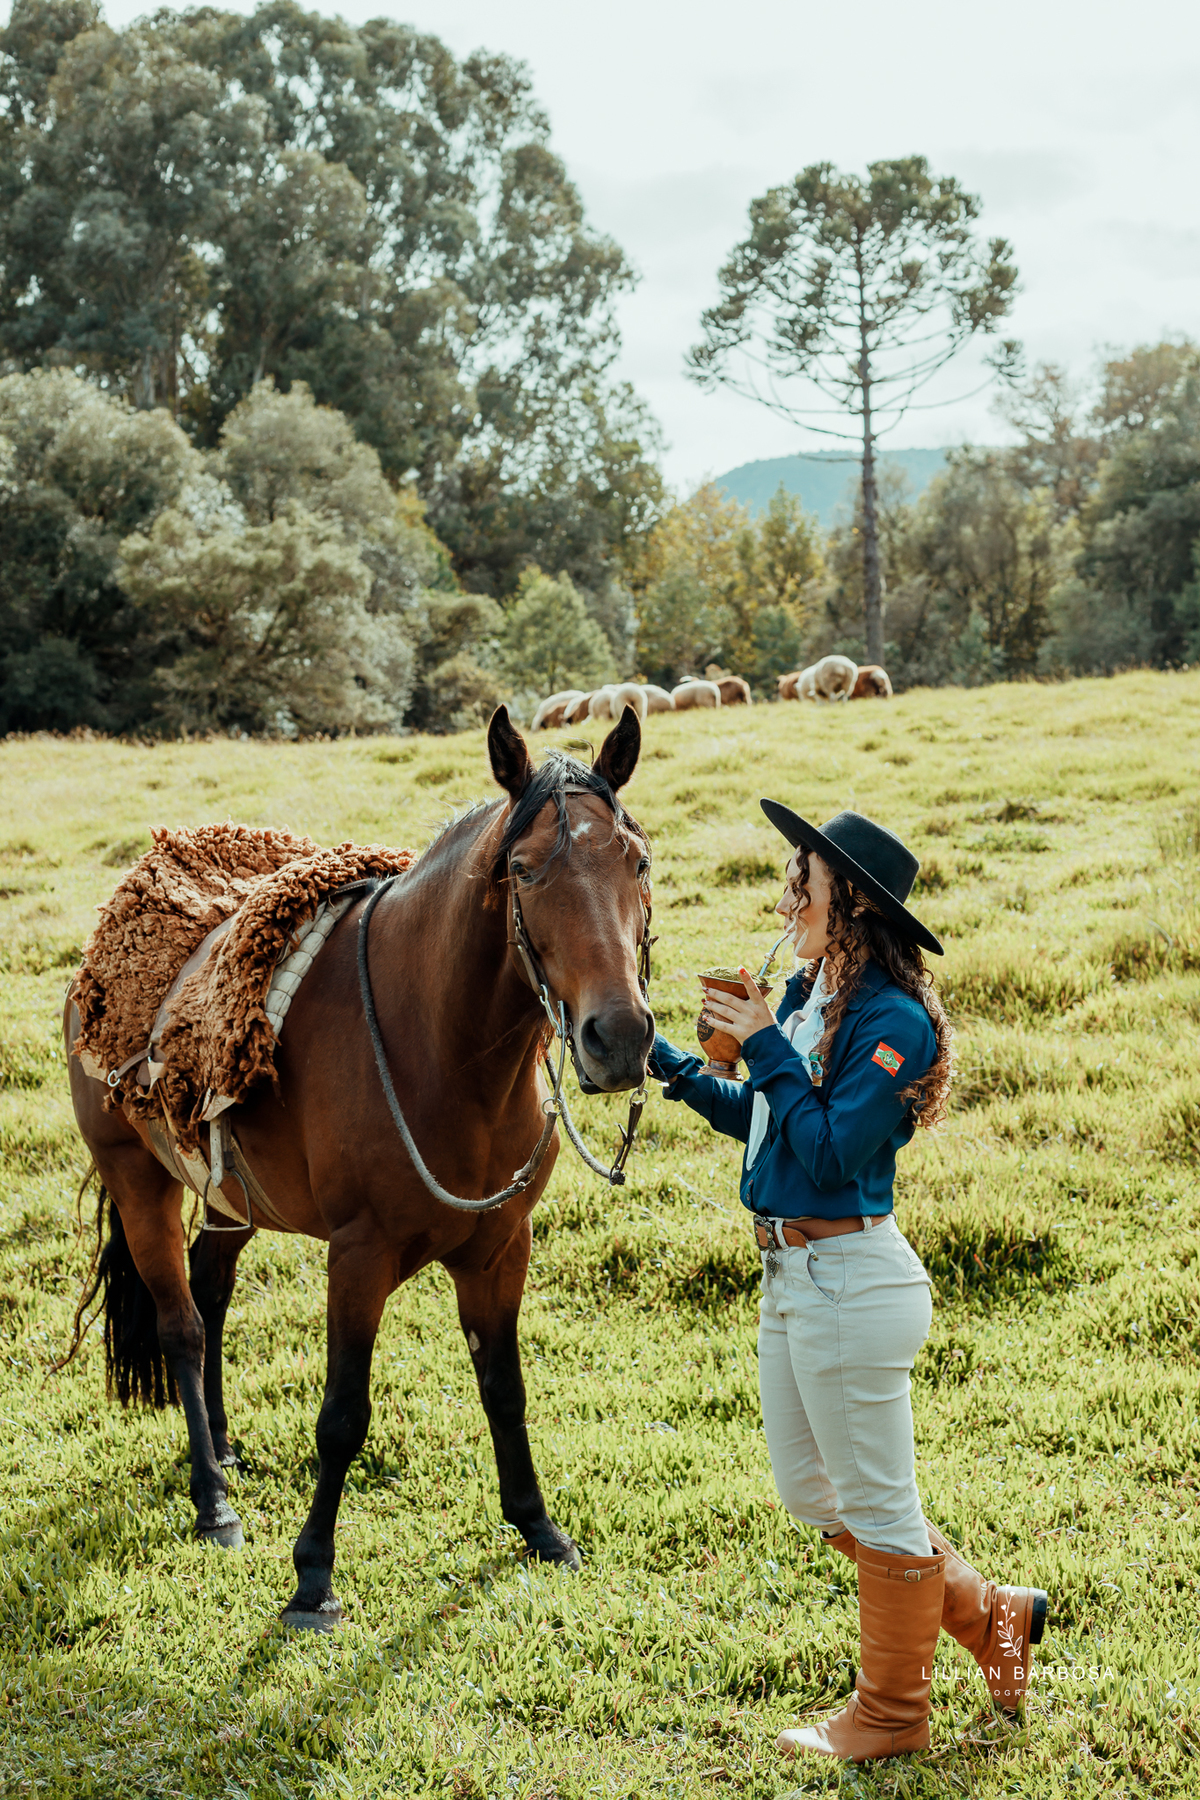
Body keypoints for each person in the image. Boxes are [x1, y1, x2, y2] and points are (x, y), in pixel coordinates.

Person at [648, 804, 1048, 1763]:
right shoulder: (809, 995)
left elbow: (829, 1152)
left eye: (807, 882)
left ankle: (893, 1716)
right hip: (789, 1278)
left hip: (850, 1284)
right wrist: (668, 1064)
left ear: (854, 904)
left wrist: (767, 1044)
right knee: (812, 1496)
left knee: (876, 1507)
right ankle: (992, 1616)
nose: (789, 897)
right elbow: (769, 1120)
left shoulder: (894, 1023)